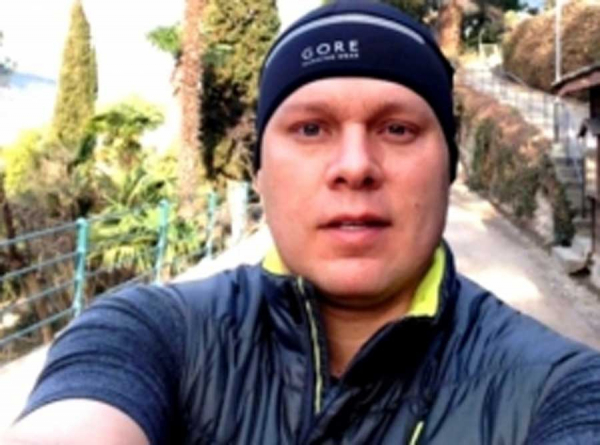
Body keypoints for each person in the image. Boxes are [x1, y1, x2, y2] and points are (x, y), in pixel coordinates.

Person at [3, 1, 600, 444]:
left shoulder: (562, 388)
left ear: (451, 167)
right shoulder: (149, 334)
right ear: (260, 172)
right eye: (311, 129)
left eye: (398, 129)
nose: (355, 166)